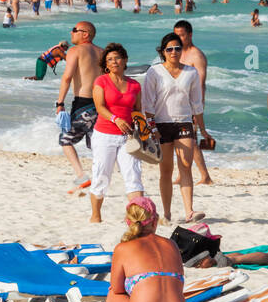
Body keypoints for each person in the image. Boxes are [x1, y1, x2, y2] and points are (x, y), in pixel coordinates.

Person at [104, 197, 189, 302]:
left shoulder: (123, 248)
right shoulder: (172, 245)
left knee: (112, 293)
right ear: (155, 221)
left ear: (128, 221)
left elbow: (117, 289)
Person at [142, 31, 204, 224]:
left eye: (178, 48)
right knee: (166, 170)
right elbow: (147, 103)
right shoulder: (154, 72)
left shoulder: (191, 72)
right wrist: (152, 128)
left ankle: (189, 211)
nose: (174, 52)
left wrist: (202, 129)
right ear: (163, 51)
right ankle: (167, 214)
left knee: (186, 165)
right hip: (161, 124)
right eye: (170, 49)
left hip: (184, 122)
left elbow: (197, 103)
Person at [88, 43, 145, 224]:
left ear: (125, 60)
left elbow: (137, 110)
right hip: (104, 135)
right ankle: (96, 216)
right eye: (110, 59)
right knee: (102, 175)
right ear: (106, 63)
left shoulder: (135, 85)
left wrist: (143, 129)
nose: (114, 62)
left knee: (133, 175)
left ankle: (137, 219)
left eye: (117, 58)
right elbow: (100, 107)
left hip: (128, 137)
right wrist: (116, 119)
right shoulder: (101, 81)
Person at [56, 20, 104, 189]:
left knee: (65, 139)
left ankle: (81, 176)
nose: (71, 32)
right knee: (97, 145)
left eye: (75, 30)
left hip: (82, 104)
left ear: (86, 34)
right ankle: (99, 179)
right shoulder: (103, 52)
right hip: (101, 105)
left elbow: (67, 77)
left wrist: (60, 102)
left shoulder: (75, 50)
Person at [174, 19, 214, 186]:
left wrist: (198, 110)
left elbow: (200, 84)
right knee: (178, 139)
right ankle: (182, 174)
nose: (179, 38)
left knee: (191, 141)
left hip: (191, 104)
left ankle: (205, 176)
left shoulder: (196, 56)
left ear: (190, 35)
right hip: (176, 102)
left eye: (182, 35)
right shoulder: (176, 52)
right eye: (176, 35)